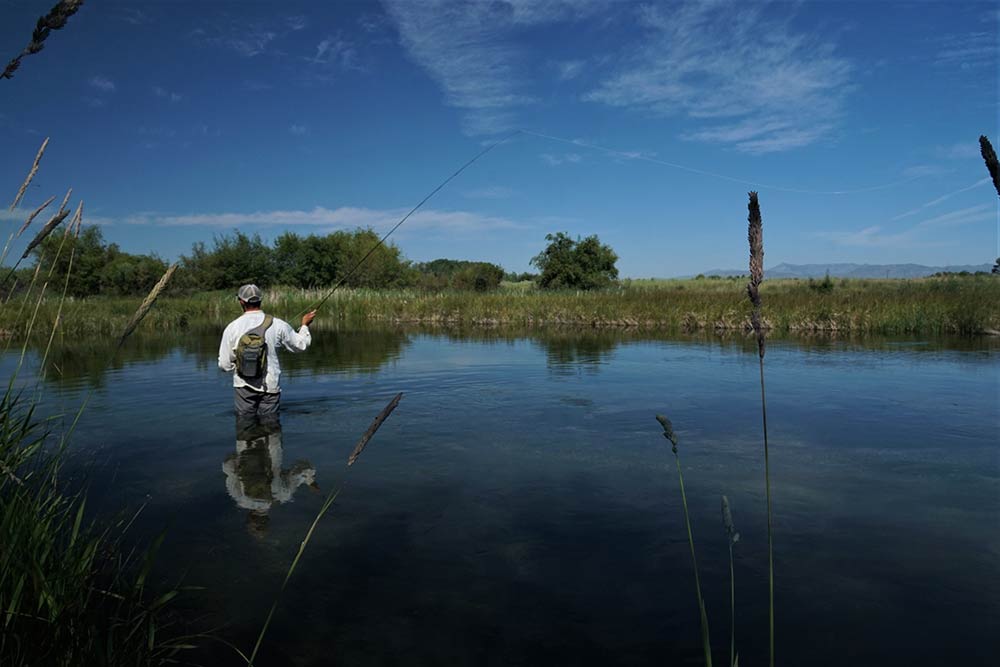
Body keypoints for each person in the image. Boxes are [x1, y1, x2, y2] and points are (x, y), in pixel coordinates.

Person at [218, 284, 316, 418]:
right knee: (270, 424)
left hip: (243, 387)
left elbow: (224, 365)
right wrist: (304, 325)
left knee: (244, 424)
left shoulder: (232, 328)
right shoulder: (278, 324)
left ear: (241, 301)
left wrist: (243, 362)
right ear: (261, 300)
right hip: (270, 386)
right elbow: (301, 345)